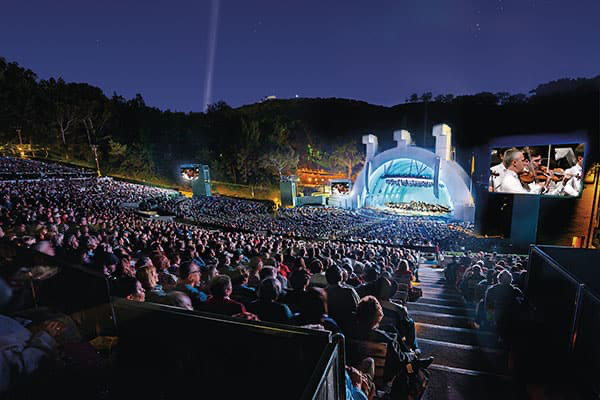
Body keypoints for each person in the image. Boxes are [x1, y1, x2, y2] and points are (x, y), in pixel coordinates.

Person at [347, 296, 433, 399]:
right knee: (407, 365)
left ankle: (415, 360)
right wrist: (411, 355)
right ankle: (416, 360)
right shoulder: (387, 340)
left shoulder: (347, 333)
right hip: (383, 377)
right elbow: (399, 361)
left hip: (354, 373)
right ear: (377, 316)